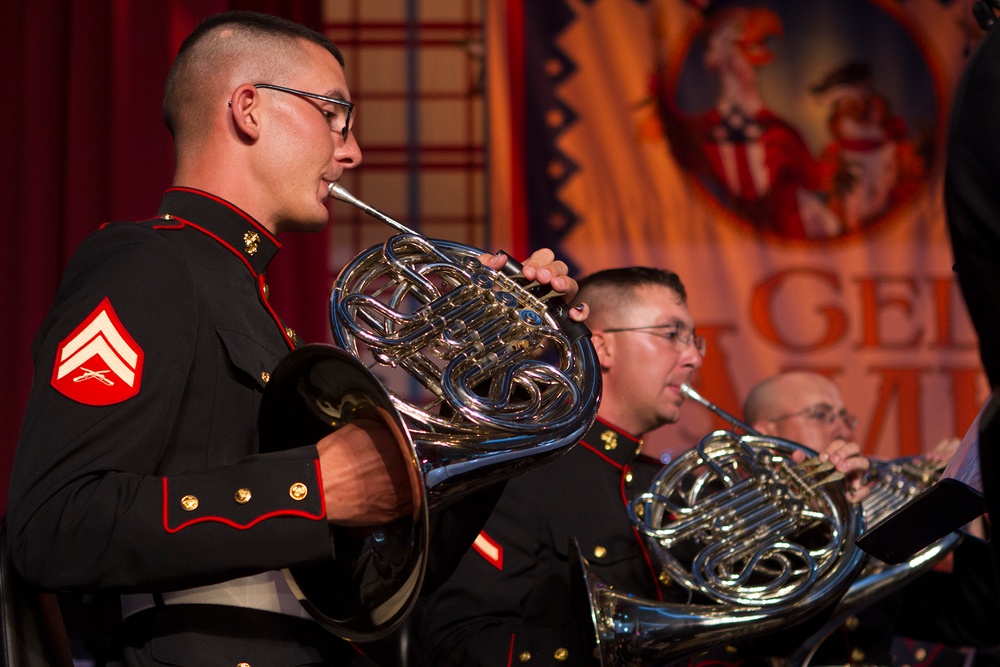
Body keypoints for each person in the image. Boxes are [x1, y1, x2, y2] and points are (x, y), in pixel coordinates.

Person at [6, 10, 583, 665]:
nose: (352, 149)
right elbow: (55, 522)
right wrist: (312, 487)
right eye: (334, 113)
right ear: (249, 109)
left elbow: (389, 572)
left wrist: (496, 378)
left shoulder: (253, 305)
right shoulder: (146, 264)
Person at [418, 268, 871, 667]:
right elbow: (457, 643)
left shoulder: (667, 487)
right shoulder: (519, 475)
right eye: (670, 334)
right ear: (603, 348)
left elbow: (762, 633)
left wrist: (824, 523)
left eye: (694, 340)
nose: (693, 358)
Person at [744, 371, 1000, 667]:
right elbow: (766, 638)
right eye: (821, 415)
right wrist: (819, 526)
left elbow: (980, 621)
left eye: (845, 418)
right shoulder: (727, 515)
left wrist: (967, 499)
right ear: (765, 432)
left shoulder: (869, 517)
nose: (842, 430)